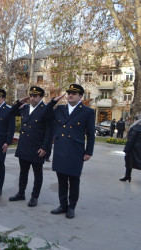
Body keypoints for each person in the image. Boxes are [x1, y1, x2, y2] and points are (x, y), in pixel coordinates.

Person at [47, 84, 95, 219]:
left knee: (74, 180)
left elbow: (91, 134)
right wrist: (53, 101)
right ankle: (63, 205)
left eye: (74, 93)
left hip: (76, 150)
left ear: (80, 96)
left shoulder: (87, 112)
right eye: (69, 93)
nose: (70, 95)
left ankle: (71, 207)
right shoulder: (59, 109)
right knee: (61, 179)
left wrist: (88, 151)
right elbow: (45, 114)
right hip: (61, 148)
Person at [8, 86, 52, 207]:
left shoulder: (45, 109)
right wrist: (19, 102)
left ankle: (34, 197)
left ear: (41, 97)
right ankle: (21, 193)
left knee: (37, 174)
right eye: (31, 96)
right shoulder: (25, 108)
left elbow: (49, 131)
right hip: (24, 145)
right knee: (23, 172)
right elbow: (11, 112)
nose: (32, 98)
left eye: (35, 96)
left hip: (37, 147)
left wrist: (45, 148)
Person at [119, 114, 141, 182]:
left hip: (133, 149)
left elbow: (131, 140)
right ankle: (127, 176)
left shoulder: (135, 128)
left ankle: (127, 176)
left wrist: (126, 149)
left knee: (129, 163)